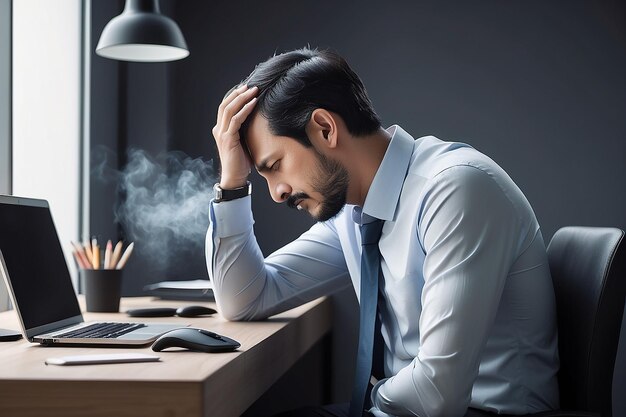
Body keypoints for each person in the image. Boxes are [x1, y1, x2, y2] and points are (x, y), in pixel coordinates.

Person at [206, 47, 559, 417]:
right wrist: (231, 184)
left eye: (275, 166)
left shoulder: (455, 191)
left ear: (324, 129)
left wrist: (371, 400)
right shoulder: (354, 213)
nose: (276, 193)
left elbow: (438, 393)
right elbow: (245, 299)